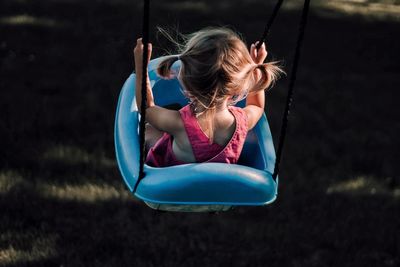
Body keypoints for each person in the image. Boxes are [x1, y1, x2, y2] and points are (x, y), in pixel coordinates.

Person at [134, 27, 283, 167]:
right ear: (236, 86)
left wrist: (141, 67)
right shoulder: (242, 121)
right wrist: (256, 65)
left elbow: (146, 107)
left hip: (175, 183)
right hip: (216, 186)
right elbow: (257, 106)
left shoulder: (179, 124)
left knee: (148, 131)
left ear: (187, 81)